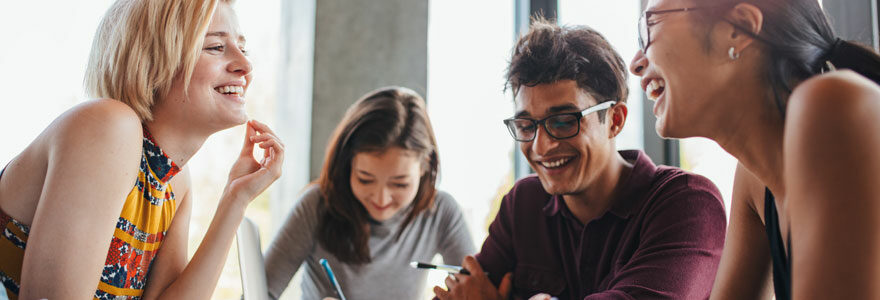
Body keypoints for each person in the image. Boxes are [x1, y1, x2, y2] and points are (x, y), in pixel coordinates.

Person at [0, 0, 285, 299]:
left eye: (243, 47)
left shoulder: (174, 181)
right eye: (215, 47)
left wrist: (236, 198)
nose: (246, 64)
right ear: (153, 60)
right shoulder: (107, 126)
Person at [434, 18, 727, 300]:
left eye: (563, 121)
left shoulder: (688, 203)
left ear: (615, 120)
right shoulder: (523, 204)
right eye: (526, 126)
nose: (541, 146)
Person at [629, 0, 880, 299]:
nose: (635, 63)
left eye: (649, 28)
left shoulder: (835, 105)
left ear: (739, 29)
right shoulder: (756, 179)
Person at [263, 86, 475, 300]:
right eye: (365, 179)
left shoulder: (441, 211)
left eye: (400, 184)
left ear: (424, 167)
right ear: (348, 165)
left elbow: (477, 288)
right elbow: (258, 295)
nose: (381, 198)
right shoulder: (315, 205)